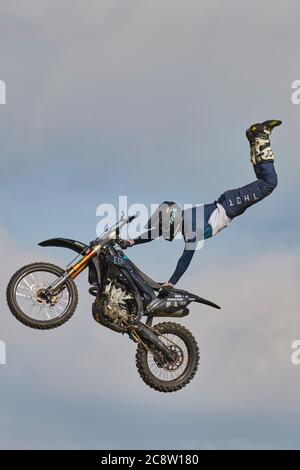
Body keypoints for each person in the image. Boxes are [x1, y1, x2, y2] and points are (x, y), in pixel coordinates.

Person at [118, 120, 281, 294]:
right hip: (228, 204)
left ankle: (261, 135)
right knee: (263, 181)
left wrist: (171, 283)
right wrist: (131, 241)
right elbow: (153, 233)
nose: (164, 232)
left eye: (165, 227)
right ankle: (254, 139)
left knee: (269, 183)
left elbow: (185, 258)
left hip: (230, 205)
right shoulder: (180, 220)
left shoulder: (191, 230)